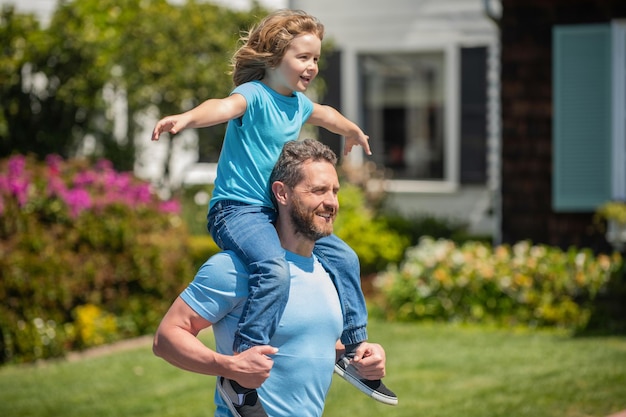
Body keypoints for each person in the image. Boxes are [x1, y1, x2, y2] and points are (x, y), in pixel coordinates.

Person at [151, 9, 396, 416]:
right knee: (272, 267)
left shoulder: (298, 105)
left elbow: (327, 115)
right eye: (303, 57)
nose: (311, 66)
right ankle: (243, 376)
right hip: (237, 209)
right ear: (272, 57)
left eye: (316, 58)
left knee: (344, 257)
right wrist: (187, 119)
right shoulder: (255, 95)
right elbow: (220, 107)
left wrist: (351, 130)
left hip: (267, 211)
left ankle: (351, 350)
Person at [153, 139, 394, 417]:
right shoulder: (235, 268)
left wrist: (360, 358)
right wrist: (228, 366)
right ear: (282, 193)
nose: (331, 202)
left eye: (334, 191)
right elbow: (166, 338)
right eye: (317, 190)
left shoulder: (329, 271)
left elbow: (304, 345)